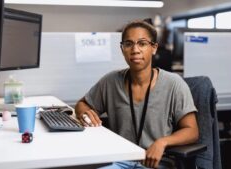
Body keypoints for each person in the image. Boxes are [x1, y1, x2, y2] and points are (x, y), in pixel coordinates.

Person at [75, 20, 198, 169]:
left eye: (142, 43)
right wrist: (84, 113)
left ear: (153, 48)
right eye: (128, 44)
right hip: (119, 160)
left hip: (155, 163)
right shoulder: (111, 81)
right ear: (122, 49)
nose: (135, 50)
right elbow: (82, 104)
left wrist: (162, 142)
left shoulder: (174, 84)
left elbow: (192, 131)